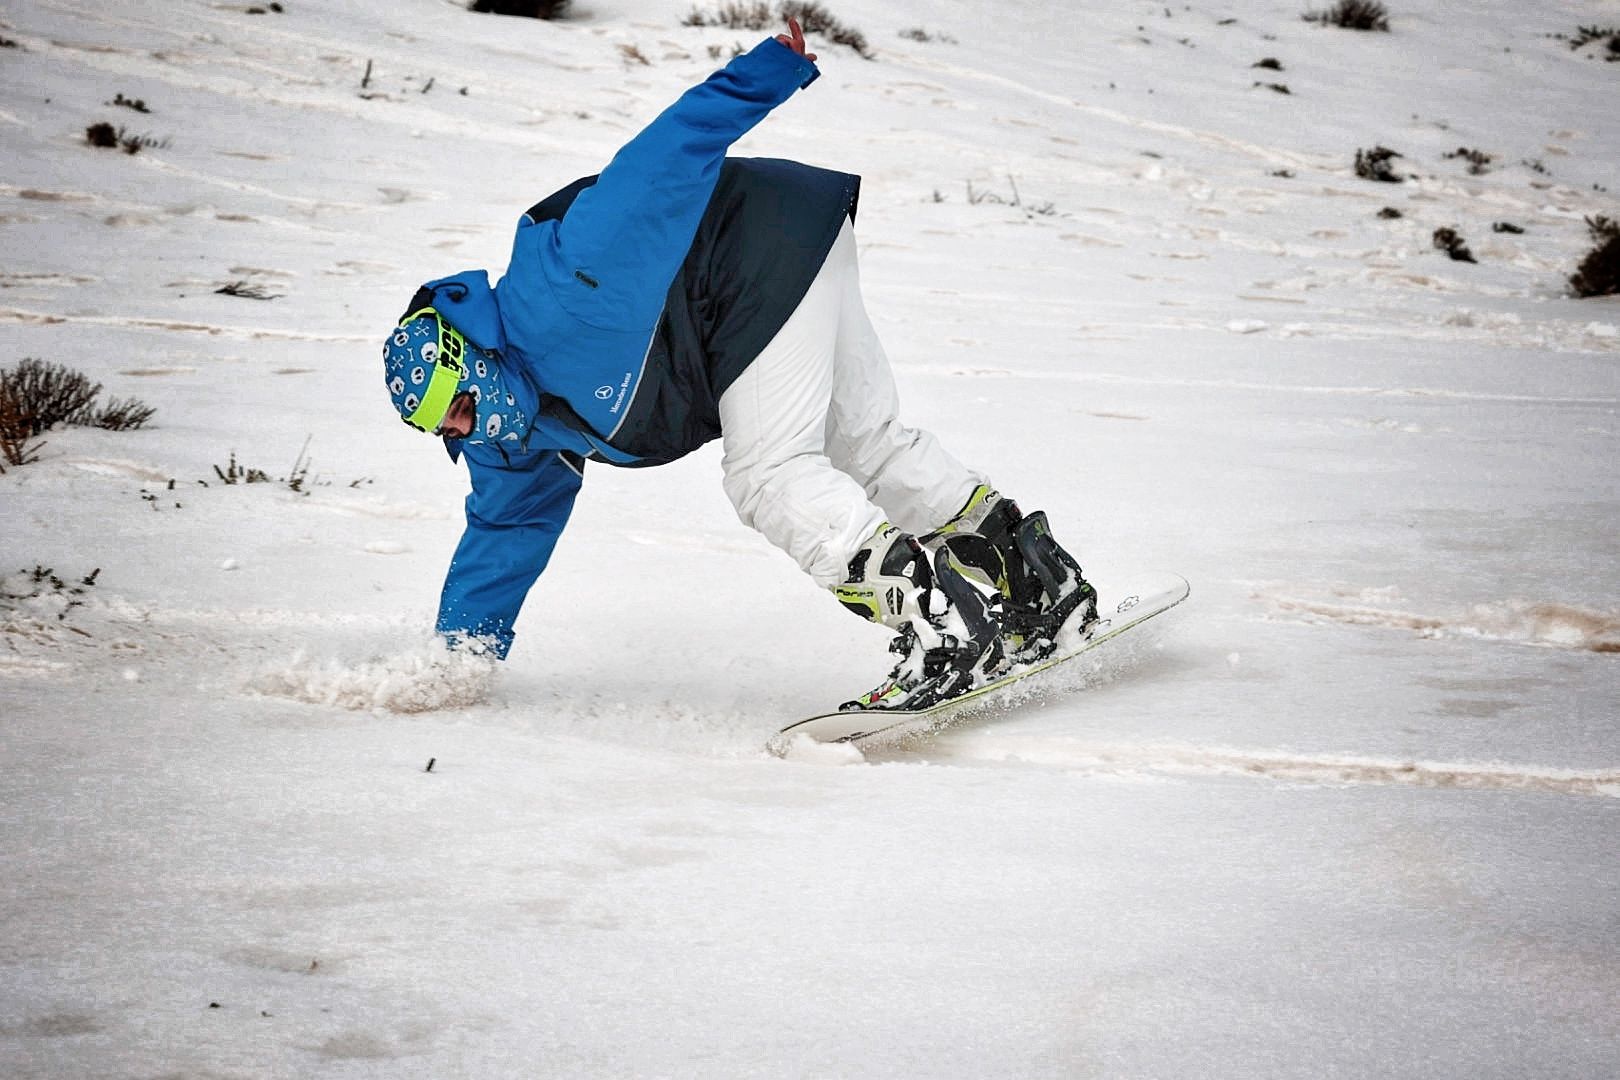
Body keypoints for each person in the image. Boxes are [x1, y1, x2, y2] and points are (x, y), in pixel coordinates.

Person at [381, 18, 1097, 711]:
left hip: (754, 256)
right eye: (445, 428)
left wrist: (768, 70)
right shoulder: (518, 436)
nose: (466, 430)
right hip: (794, 245)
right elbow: (504, 533)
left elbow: (657, 163)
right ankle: (1041, 586)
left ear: (470, 357)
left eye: (461, 404)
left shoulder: (558, 289)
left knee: (768, 472)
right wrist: (458, 659)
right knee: (863, 441)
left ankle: (939, 631)